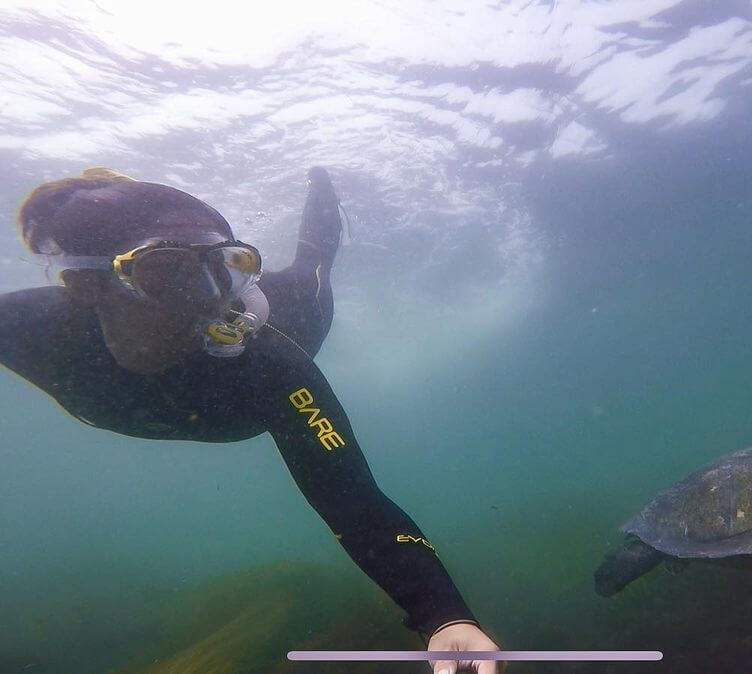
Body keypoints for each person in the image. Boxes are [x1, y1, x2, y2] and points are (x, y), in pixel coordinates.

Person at [0, 167, 501, 674]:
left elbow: (352, 501)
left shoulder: (270, 365)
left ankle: (322, 187)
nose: (214, 296)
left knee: (313, 266)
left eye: (227, 265)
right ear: (86, 287)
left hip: (295, 314)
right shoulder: (28, 329)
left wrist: (445, 618)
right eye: (165, 270)